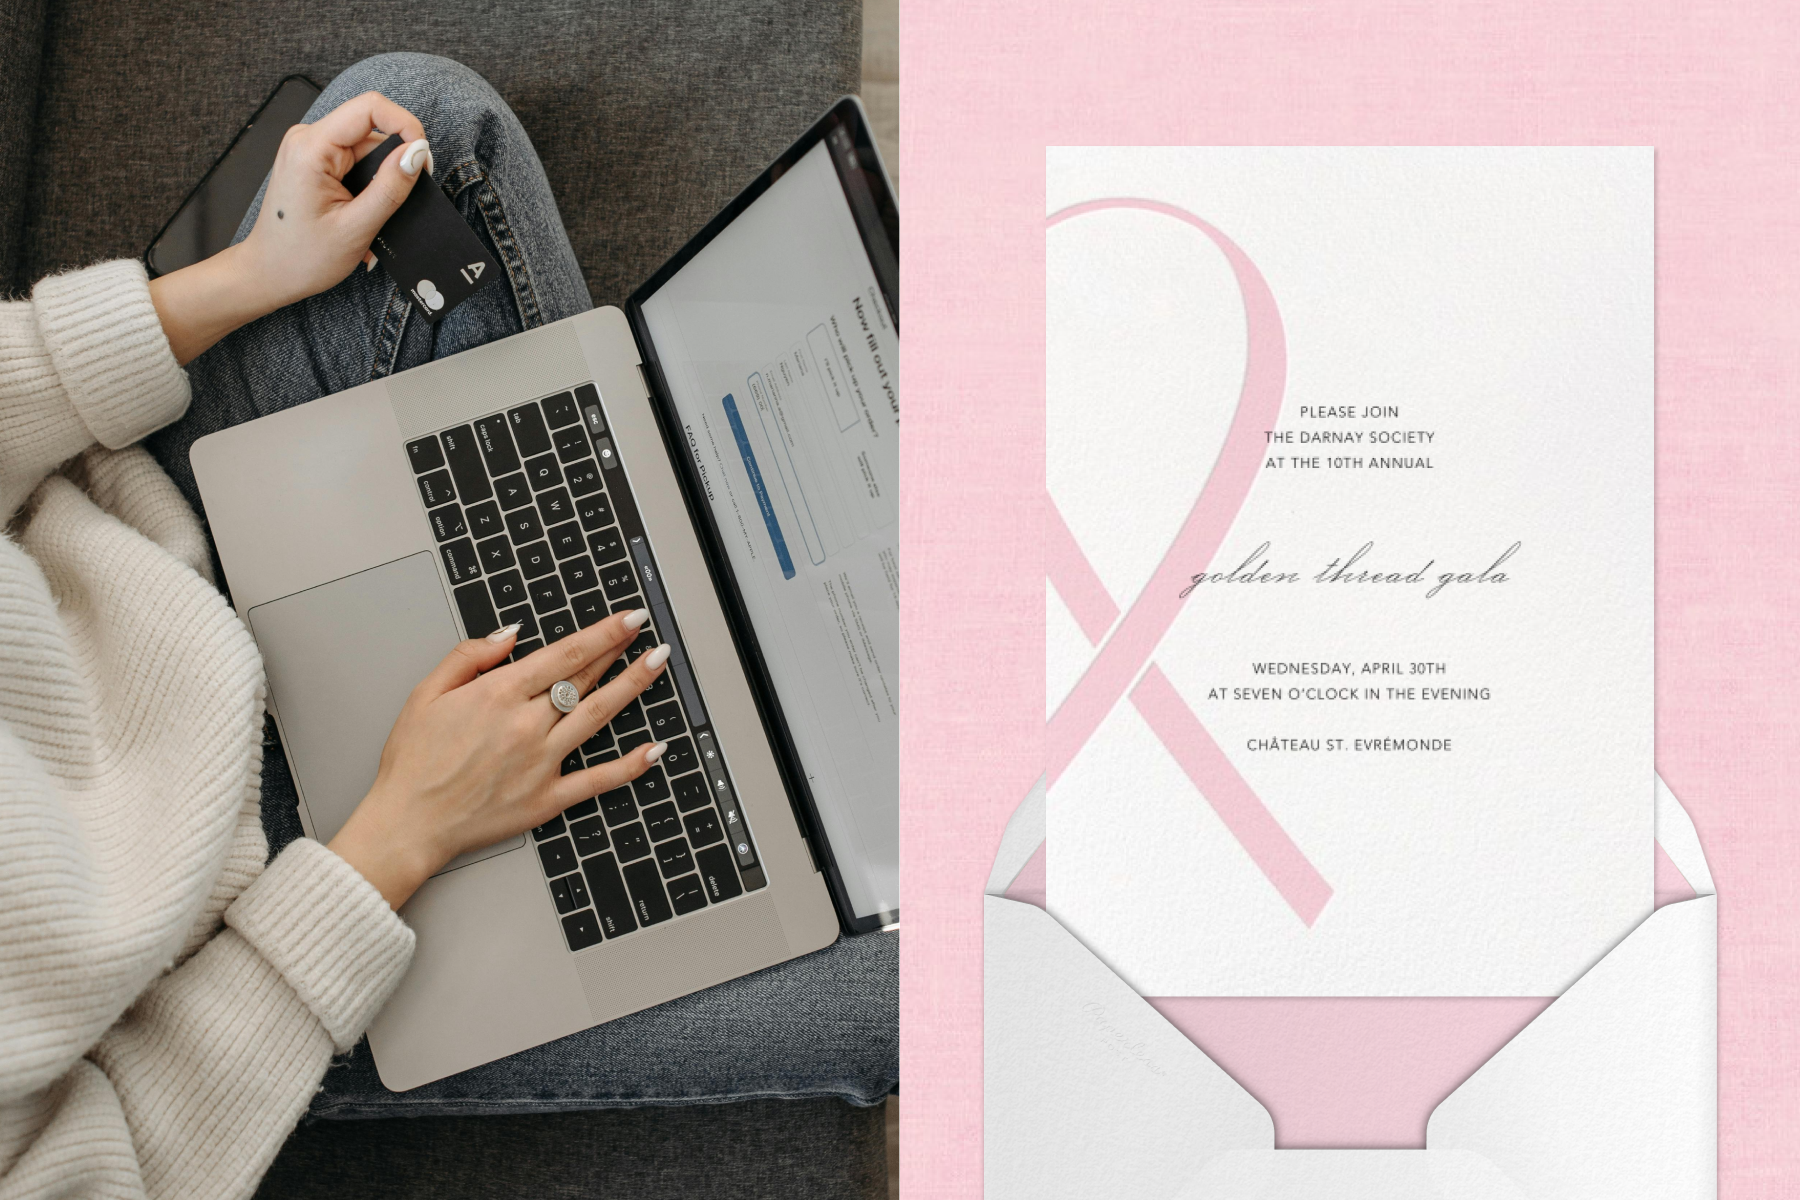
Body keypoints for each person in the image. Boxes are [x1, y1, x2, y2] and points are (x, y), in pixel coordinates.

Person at [0, 53, 895, 1200]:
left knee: (422, 130)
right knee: (921, 984)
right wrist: (405, 833)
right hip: (261, 936)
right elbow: (109, 1167)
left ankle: (658, 588)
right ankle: (701, 652)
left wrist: (241, 278)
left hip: (146, 559)